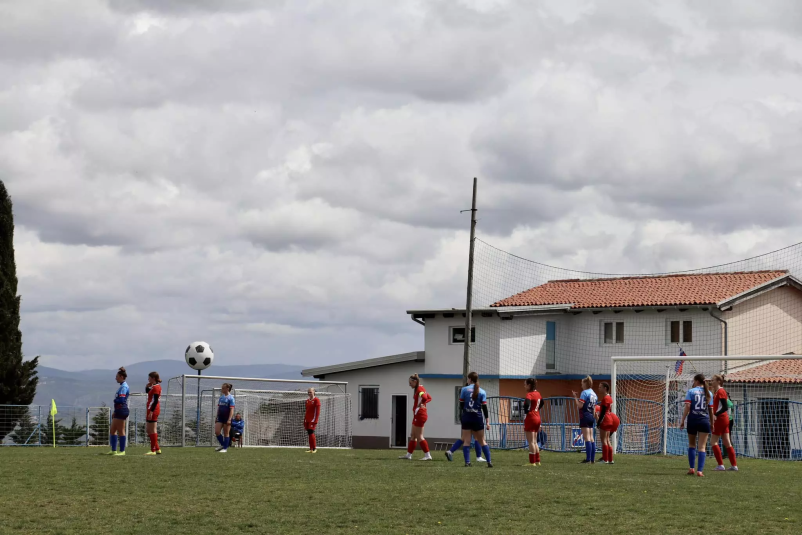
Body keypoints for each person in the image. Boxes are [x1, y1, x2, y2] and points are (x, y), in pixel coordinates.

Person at [445, 371, 493, 468]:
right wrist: (487, 421)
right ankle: (489, 462)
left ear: (470, 379)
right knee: (482, 441)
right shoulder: (482, 391)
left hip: (467, 417)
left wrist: (462, 416)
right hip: (477, 418)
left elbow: (461, 405)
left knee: (466, 441)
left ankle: (467, 462)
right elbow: (484, 408)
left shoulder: (464, 390)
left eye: (468, 378)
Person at [680, 373, 714, 477]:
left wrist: (682, 420)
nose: (693, 383)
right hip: (704, 421)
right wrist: (712, 423)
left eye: (694, 381)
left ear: (697, 381)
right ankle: (700, 471)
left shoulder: (691, 391)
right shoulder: (709, 393)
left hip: (693, 420)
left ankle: (691, 468)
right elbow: (711, 410)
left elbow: (687, 407)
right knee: (702, 447)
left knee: (691, 444)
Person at [399, 374, 433, 461]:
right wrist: (422, 403)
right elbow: (429, 398)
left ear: (415, 382)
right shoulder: (420, 388)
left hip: (420, 414)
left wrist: (420, 404)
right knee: (413, 435)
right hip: (417, 414)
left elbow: (425, 397)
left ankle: (427, 455)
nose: (409, 385)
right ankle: (408, 455)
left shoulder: (419, 388)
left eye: (410, 383)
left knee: (419, 436)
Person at [711, 374, 738, 472]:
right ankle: (734, 465)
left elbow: (725, 407)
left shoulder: (721, 391)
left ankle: (720, 465)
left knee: (713, 441)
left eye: (713, 380)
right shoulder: (717, 392)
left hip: (721, 419)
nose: (711, 382)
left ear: (718, 381)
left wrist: (716, 414)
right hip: (725, 419)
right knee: (727, 442)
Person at [572, 376, 598, 464]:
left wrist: (575, 397)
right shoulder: (594, 394)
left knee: (587, 438)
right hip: (591, 416)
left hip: (585, 415)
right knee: (591, 438)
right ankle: (592, 459)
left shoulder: (584, 393)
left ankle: (588, 459)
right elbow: (594, 408)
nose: (581, 385)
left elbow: (580, 405)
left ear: (585, 384)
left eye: (582, 384)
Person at [105, 367, 129, 456]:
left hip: (122, 410)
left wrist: (115, 401)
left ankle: (122, 451)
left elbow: (121, 400)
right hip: (118, 410)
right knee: (112, 430)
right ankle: (114, 450)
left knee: (121, 430)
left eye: (117, 376)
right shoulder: (121, 386)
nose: (116, 378)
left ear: (121, 377)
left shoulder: (124, 387)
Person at [597, 382, 620, 465]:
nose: (599, 389)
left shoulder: (605, 398)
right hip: (609, 419)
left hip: (605, 419)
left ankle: (605, 459)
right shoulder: (609, 397)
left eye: (600, 387)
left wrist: (599, 422)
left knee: (604, 440)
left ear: (605, 388)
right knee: (607, 440)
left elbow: (602, 412)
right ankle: (610, 460)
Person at [523, 377, 542, 466]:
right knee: (534, 441)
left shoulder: (529, 394)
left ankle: (532, 462)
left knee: (531, 441)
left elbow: (527, 404)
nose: (524, 386)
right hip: (537, 417)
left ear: (529, 385)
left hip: (531, 418)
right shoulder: (538, 393)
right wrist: (536, 409)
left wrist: (526, 411)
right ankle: (537, 461)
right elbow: (542, 402)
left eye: (525, 384)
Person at [144, 371, 162, 456]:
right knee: (148, 429)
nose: (148, 379)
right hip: (150, 409)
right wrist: (147, 388)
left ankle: (153, 450)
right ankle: (157, 448)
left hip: (153, 410)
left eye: (149, 377)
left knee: (152, 429)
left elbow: (155, 400)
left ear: (153, 378)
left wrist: (151, 411)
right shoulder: (153, 387)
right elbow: (149, 393)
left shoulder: (156, 388)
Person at [215, 383, 235, 453]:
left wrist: (229, 419)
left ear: (227, 389)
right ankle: (223, 445)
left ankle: (225, 449)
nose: (222, 389)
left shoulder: (231, 398)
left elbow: (232, 409)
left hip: (227, 418)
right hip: (220, 417)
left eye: (223, 388)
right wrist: (216, 416)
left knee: (226, 433)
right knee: (217, 431)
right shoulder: (221, 397)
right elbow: (219, 407)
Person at [304, 388, 321, 453]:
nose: (309, 393)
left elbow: (318, 411)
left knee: (311, 432)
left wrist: (316, 420)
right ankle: (311, 448)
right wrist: (305, 419)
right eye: (308, 392)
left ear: (314, 392)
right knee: (309, 433)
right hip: (307, 419)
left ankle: (314, 448)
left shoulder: (316, 400)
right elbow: (307, 411)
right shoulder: (307, 401)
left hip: (313, 419)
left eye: (310, 392)